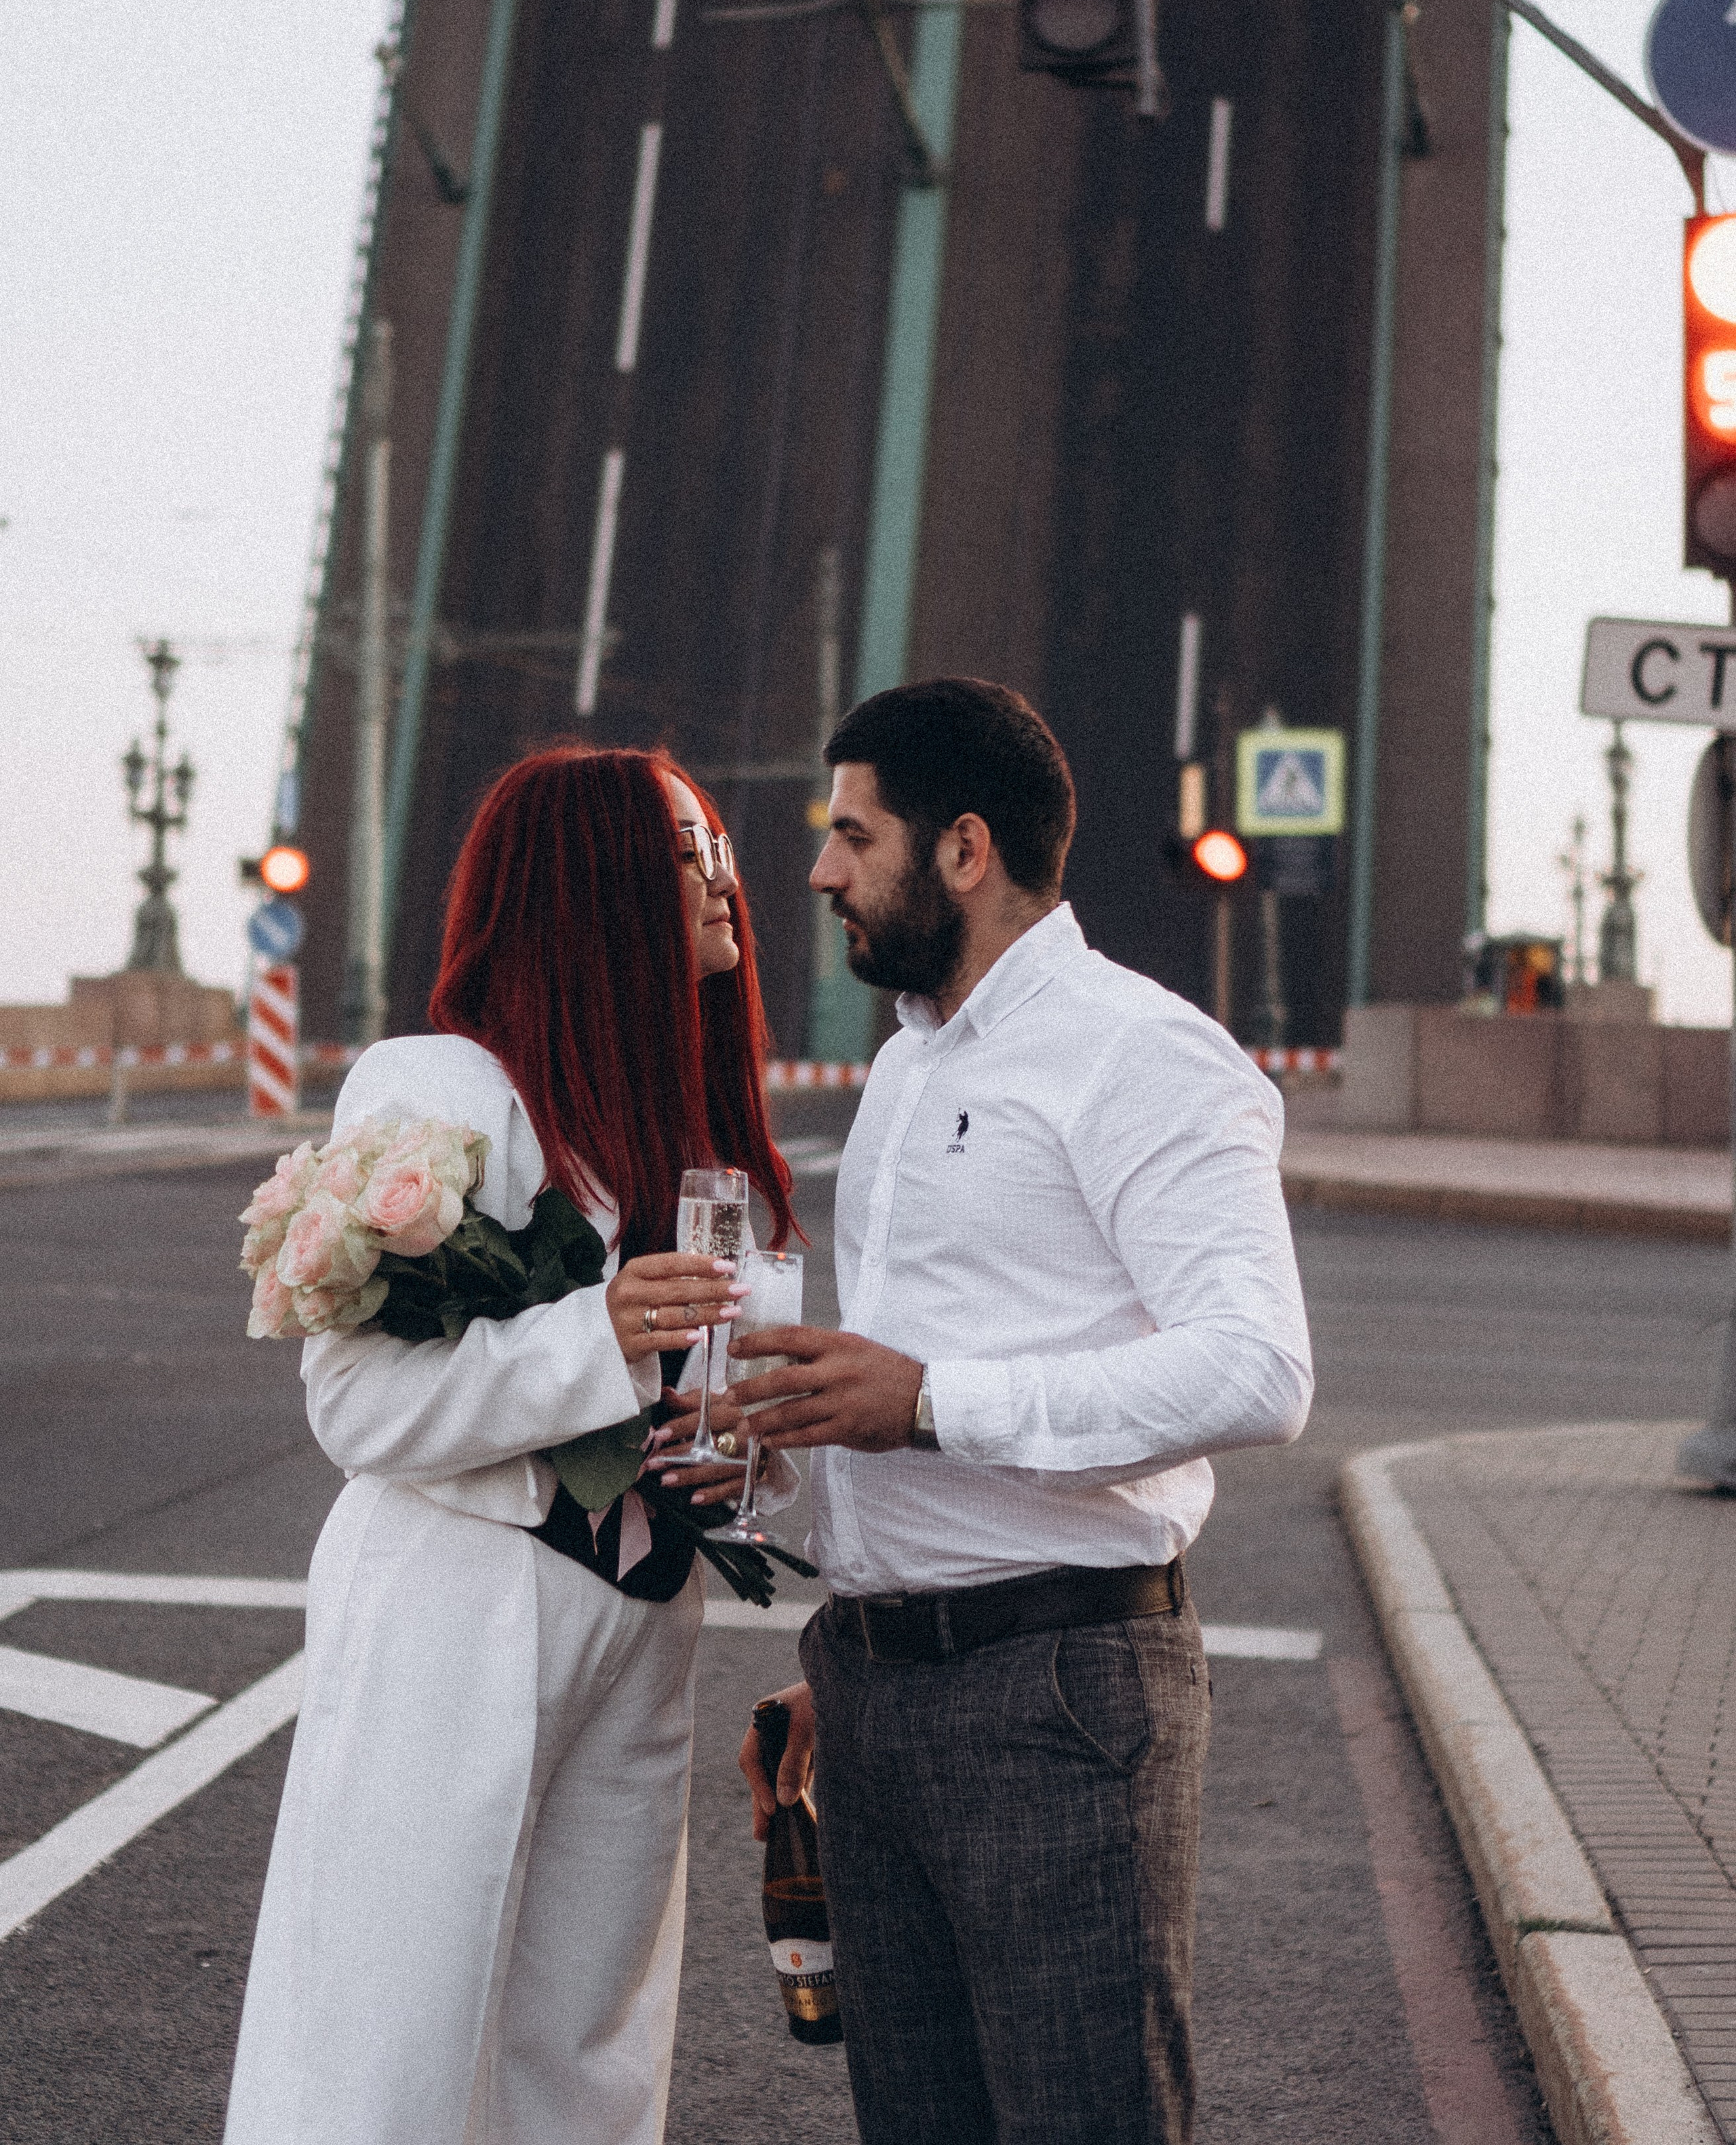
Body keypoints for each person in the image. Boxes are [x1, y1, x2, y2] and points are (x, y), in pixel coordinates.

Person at [737, 678, 1313, 2145]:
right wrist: (860, 1653)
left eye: (851, 835)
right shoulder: (905, 1063)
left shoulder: (1144, 1054)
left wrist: (932, 1406)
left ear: (963, 850)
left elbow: (1256, 1368)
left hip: (1056, 1697)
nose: (817, 872)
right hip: (881, 1695)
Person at [226, 745, 793, 2145]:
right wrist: (599, 1337)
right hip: (461, 1602)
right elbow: (354, 1407)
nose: (721, 876)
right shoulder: (447, 1086)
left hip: (646, 1609)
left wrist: (745, 1458)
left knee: (592, 2048)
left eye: (712, 843)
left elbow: (717, 1398)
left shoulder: (691, 1128)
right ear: (586, 883)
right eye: (679, 852)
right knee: (390, 2036)